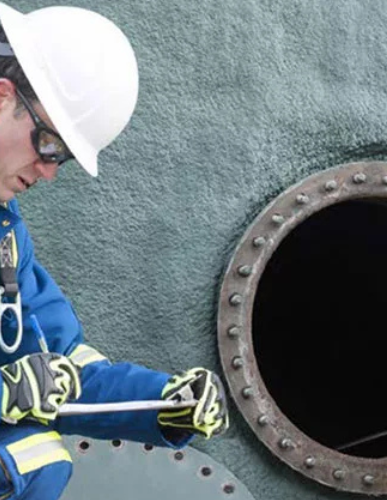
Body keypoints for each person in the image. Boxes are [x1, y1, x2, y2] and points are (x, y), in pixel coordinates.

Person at [0, 4, 229, 499]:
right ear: (2, 98)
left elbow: (63, 362)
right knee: (28, 451)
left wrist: (163, 402)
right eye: (49, 146)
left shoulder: (6, 238)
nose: (49, 172)